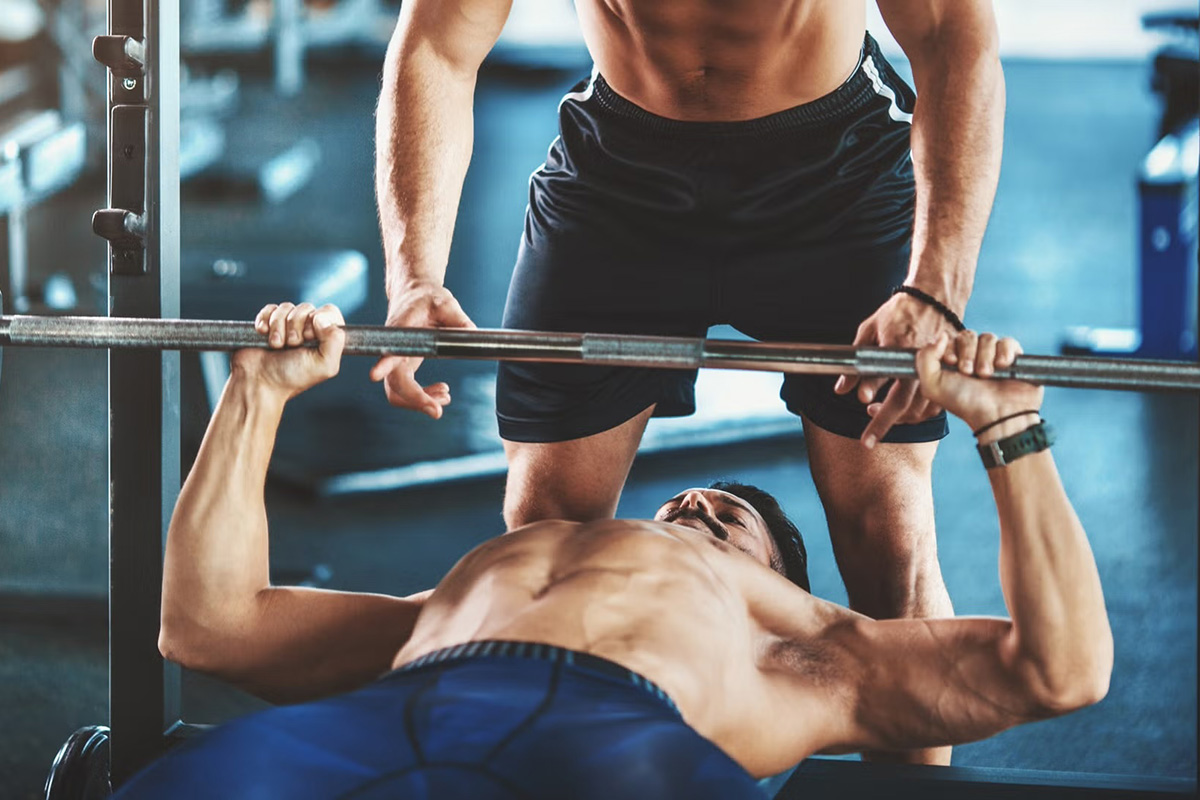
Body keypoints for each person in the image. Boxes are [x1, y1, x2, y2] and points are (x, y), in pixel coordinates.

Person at [114, 302, 1111, 799]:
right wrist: (257, 390)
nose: (693, 500)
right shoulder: (464, 591)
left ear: (773, 576)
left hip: (623, 742)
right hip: (405, 708)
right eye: (689, 496)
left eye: (729, 515)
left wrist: (1009, 426)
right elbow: (207, 625)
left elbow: (1061, 669)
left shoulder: (813, 649)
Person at [371, 2, 1005, 765]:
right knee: (545, 531)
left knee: (886, 537)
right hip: (620, 178)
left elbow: (951, 39)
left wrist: (935, 289)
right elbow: (438, 43)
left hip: (837, 179)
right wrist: (413, 276)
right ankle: (546, 773)